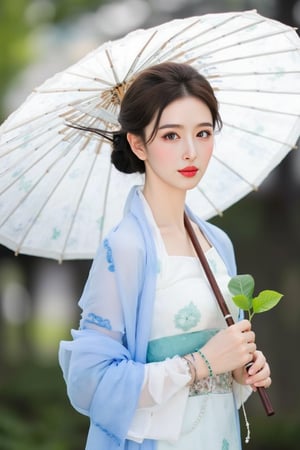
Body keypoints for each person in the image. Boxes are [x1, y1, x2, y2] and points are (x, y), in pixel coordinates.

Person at [59, 62, 271, 450]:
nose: (191, 151)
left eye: (203, 133)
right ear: (138, 144)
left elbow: (224, 357)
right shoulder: (125, 249)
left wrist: (242, 368)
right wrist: (200, 365)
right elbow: (93, 382)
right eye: (171, 135)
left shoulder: (218, 243)